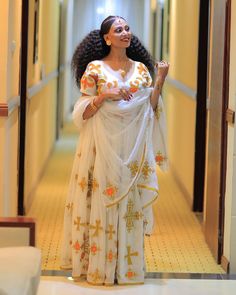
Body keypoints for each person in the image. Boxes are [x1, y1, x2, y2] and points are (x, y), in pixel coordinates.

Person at [61, 15, 169, 286]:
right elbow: (81, 113)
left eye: (127, 28)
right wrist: (104, 96)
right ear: (107, 38)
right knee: (101, 199)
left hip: (132, 148)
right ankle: (100, 269)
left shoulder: (142, 70)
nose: (125, 33)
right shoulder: (94, 69)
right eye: (118, 30)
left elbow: (151, 108)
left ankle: (126, 269)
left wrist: (161, 80)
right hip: (101, 147)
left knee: (129, 205)